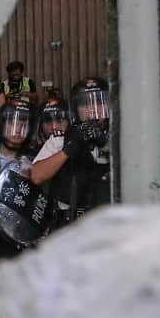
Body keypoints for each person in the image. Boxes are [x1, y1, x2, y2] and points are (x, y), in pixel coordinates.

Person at [30, 77, 111, 228]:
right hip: (71, 224)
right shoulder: (62, 138)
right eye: (85, 104)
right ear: (75, 109)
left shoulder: (121, 138)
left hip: (111, 222)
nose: (93, 109)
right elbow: (36, 176)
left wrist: (106, 145)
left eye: (99, 102)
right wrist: (68, 149)